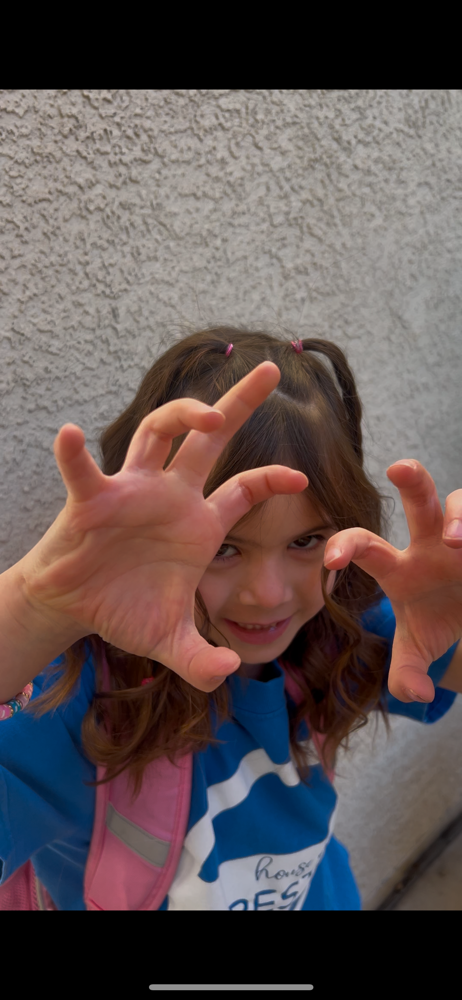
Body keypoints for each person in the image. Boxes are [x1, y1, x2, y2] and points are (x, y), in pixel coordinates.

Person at [0, 327, 461, 911]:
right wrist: (33, 604)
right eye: (222, 547)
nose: (267, 595)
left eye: (305, 541)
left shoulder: (340, 630)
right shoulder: (75, 704)